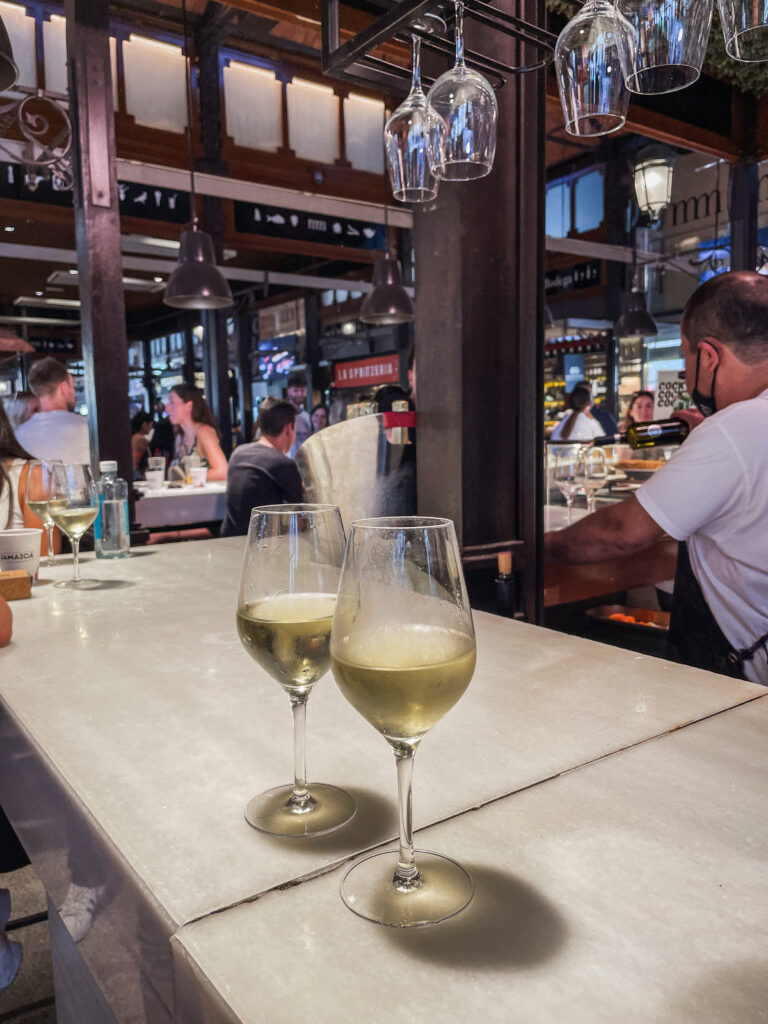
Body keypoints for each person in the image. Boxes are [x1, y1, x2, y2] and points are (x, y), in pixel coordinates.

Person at [545, 271, 768, 685]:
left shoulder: (736, 429)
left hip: (743, 689)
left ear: (710, 356)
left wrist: (536, 549)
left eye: (686, 356)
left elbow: (620, 531)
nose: (686, 373)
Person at [220, 399, 303, 537]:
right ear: (289, 428)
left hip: (228, 541)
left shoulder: (238, 453)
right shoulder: (284, 464)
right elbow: (298, 521)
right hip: (260, 548)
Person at [14, 358, 90, 465]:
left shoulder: (18, 435)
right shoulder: (87, 428)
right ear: (63, 387)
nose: (74, 393)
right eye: (72, 386)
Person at [165, 384, 228, 481]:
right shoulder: (180, 437)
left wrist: (187, 480)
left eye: (172, 402)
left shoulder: (203, 431)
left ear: (189, 406)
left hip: (203, 496)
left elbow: (222, 471)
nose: (167, 408)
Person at [285, 372, 312, 457]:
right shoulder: (282, 415)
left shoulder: (308, 417)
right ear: (288, 391)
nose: (300, 394)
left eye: (302, 390)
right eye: (296, 390)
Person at [131, 409, 154, 479]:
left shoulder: (134, 437)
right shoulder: (140, 439)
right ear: (144, 424)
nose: (151, 428)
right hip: (137, 473)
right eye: (151, 425)